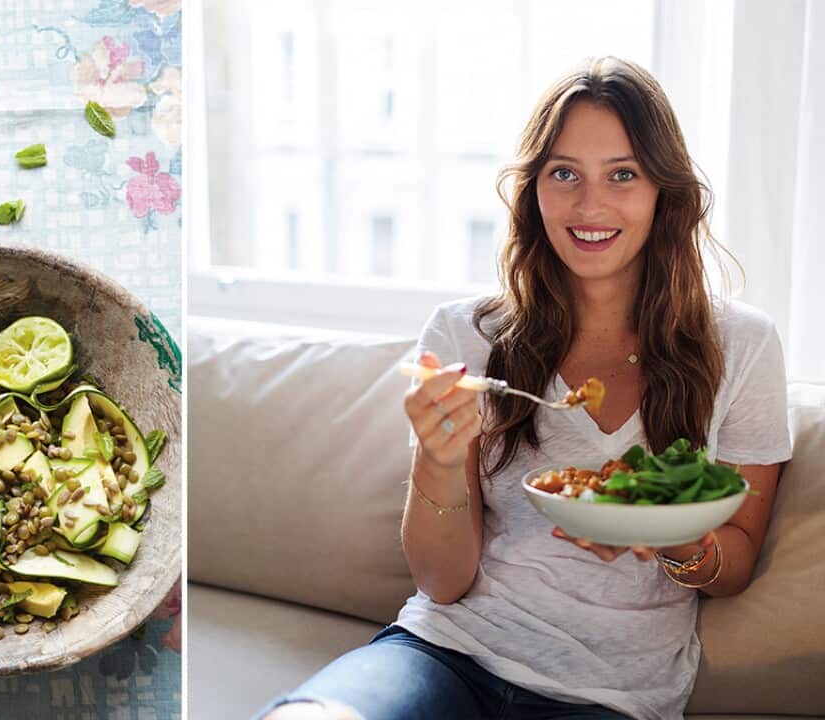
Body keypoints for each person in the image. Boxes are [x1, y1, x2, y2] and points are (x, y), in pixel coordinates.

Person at [256, 56, 792, 720]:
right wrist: (442, 458)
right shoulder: (466, 335)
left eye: (622, 175)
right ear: (533, 190)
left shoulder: (743, 344)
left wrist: (670, 534)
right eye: (564, 174)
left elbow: (733, 564)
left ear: (664, 191)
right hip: (445, 654)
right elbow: (441, 583)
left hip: (613, 695)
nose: (590, 205)